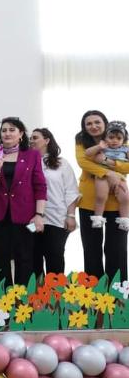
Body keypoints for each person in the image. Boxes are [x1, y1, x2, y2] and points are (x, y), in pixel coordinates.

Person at [0, 117, 47, 288]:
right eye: (4, 130)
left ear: (21, 134)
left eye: (12, 130)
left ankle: (23, 295)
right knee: (0, 256)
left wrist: (39, 214)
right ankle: (1, 294)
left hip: (25, 213)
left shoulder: (32, 155)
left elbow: (40, 185)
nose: (7, 133)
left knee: (25, 255)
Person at [75, 110, 129, 280]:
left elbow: (127, 166)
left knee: (117, 248)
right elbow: (83, 161)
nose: (93, 126)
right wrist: (109, 173)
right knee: (91, 248)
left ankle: (118, 290)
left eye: (97, 122)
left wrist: (108, 163)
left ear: (105, 123)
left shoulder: (120, 136)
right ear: (84, 127)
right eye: (89, 123)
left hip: (116, 200)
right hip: (90, 201)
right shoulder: (81, 140)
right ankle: (93, 290)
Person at [30, 128, 79, 278]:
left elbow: (71, 190)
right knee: (33, 257)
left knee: (55, 257)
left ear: (47, 140)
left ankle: (55, 291)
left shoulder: (61, 163)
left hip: (57, 218)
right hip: (32, 218)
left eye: (35, 137)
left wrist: (71, 216)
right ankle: (37, 291)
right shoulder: (27, 163)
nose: (31, 140)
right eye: (30, 138)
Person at [83, 120, 129, 229]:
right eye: (111, 137)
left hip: (119, 176)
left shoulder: (125, 148)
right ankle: (98, 218)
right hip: (103, 175)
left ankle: (125, 220)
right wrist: (99, 147)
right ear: (105, 138)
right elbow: (87, 153)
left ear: (123, 140)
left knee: (125, 198)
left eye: (118, 138)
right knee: (101, 196)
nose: (114, 141)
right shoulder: (103, 147)